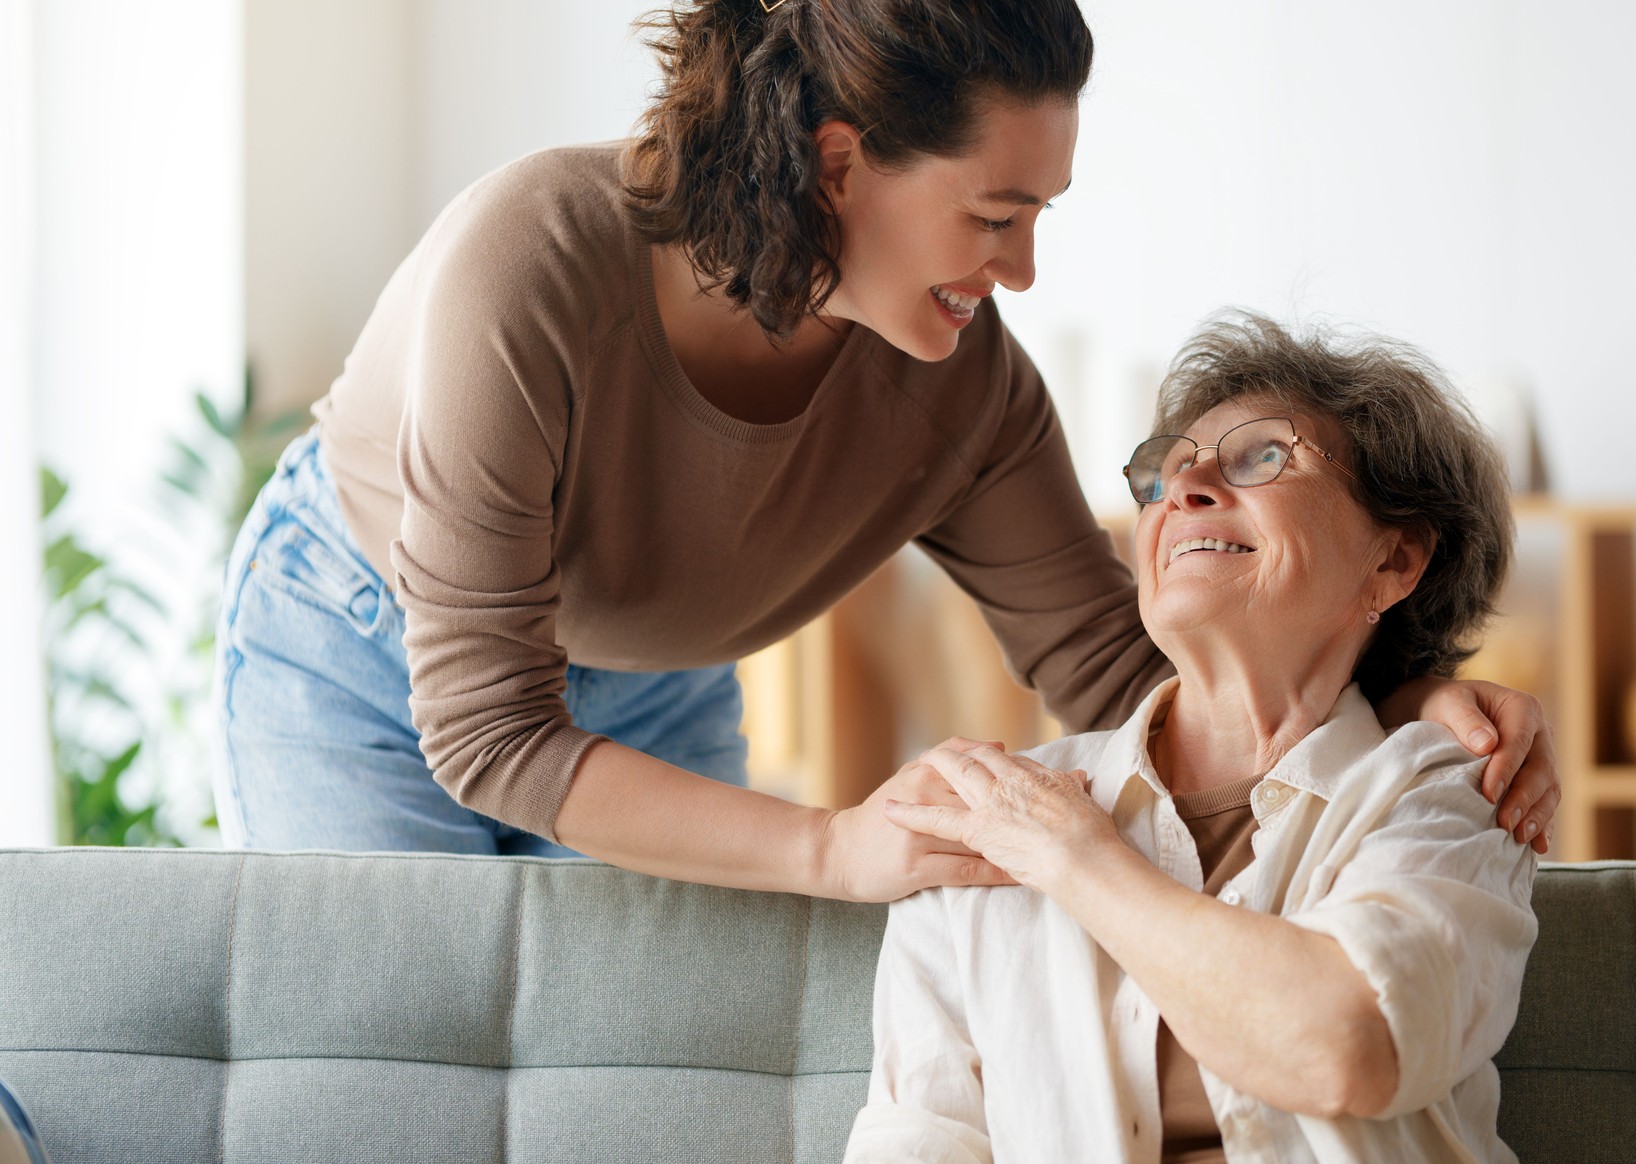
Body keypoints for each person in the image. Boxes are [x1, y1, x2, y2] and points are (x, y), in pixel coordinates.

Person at [213, 0, 1558, 902]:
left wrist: (1399, 722)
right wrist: (830, 845)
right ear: (839, 164)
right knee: (391, 1081)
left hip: (653, 682)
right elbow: (491, 725)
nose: (1024, 271)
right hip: (368, 654)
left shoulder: (962, 392)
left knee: (639, 1088)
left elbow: (1113, 675)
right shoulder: (534, 271)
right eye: (996, 214)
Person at [848, 314, 1538, 1162]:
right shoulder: (995, 815)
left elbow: (1346, 1048)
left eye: (1261, 458)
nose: (1186, 487)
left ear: (1393, 562)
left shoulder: (1442, 792)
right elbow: (919, 1138)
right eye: (1167, 470)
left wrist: (1077, 859)